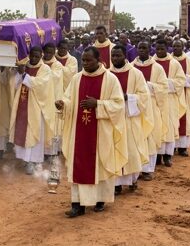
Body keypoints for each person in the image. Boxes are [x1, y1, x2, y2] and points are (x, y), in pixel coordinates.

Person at [56, 46, 127, 217]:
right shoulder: (77, 79)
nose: (85, 63)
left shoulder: (110, 79)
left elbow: (118, 104)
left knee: (100, 165)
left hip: (100, 132)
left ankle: (100, 200)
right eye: (84, 61)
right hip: (78, 132)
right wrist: (62, 104)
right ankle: (77, 205)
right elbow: (69, 98)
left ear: (99, 60)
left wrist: (99, 104)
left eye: (89, 60)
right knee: (78, 164)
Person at [110, 45, 152, 194]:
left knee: (131, 150)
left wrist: (129, 97)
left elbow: (144, 95)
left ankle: (132, 179)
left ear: (124, 56)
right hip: (113, 120)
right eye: (113, 56)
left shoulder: (136, 73)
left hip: (129, 118)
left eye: (118, 55)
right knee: (115, 150)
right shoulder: (108, 74)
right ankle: (116, 184)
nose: (115, 59)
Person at [10, 46, 55, 175]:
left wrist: (24, 74)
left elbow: (42, 85)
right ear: (29, 55)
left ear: (41, 55)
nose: (34, 58)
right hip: (22, 104)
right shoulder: (25, 66)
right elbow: (16, 84)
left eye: (37, 56)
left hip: (36, 107)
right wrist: (18, 72)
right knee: (24, 132)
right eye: (32, 56)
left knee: (34, 133)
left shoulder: (45, 68)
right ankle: (25, 159)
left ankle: (34, 161)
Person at [133, 41, 169, 181]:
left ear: (149, 50)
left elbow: (164, 87)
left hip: (151, 106)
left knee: (150, 136)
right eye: (139, 47)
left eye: (144, 48)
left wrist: (149, 86)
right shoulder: (131, 67)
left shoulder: (157, 68)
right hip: (135, 107)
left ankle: (147, 169)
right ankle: (136, 169)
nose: (142, 50)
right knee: (137, 136)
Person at [152, 39, 186, 167]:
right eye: (158, 49)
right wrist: (157, 87)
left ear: (167, 49)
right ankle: (157, 156)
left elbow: (181, 81)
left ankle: (167, 156)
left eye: (162, 49)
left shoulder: (174, 63)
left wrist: (164, 84)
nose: (160, 51)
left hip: (170, 100)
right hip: (155, 100)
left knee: (170, 126)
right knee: (157, 126)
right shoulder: (151, 63)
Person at [172, 40, 190, 156]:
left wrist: (184, 79)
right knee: (173, 119)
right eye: (174, 46)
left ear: (183, 47)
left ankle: (183, 147)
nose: (176, 48)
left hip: (186, 94)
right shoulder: (169, 61)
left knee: (186, 120)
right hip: (173, 95)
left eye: (178, 46)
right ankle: (172, 146)